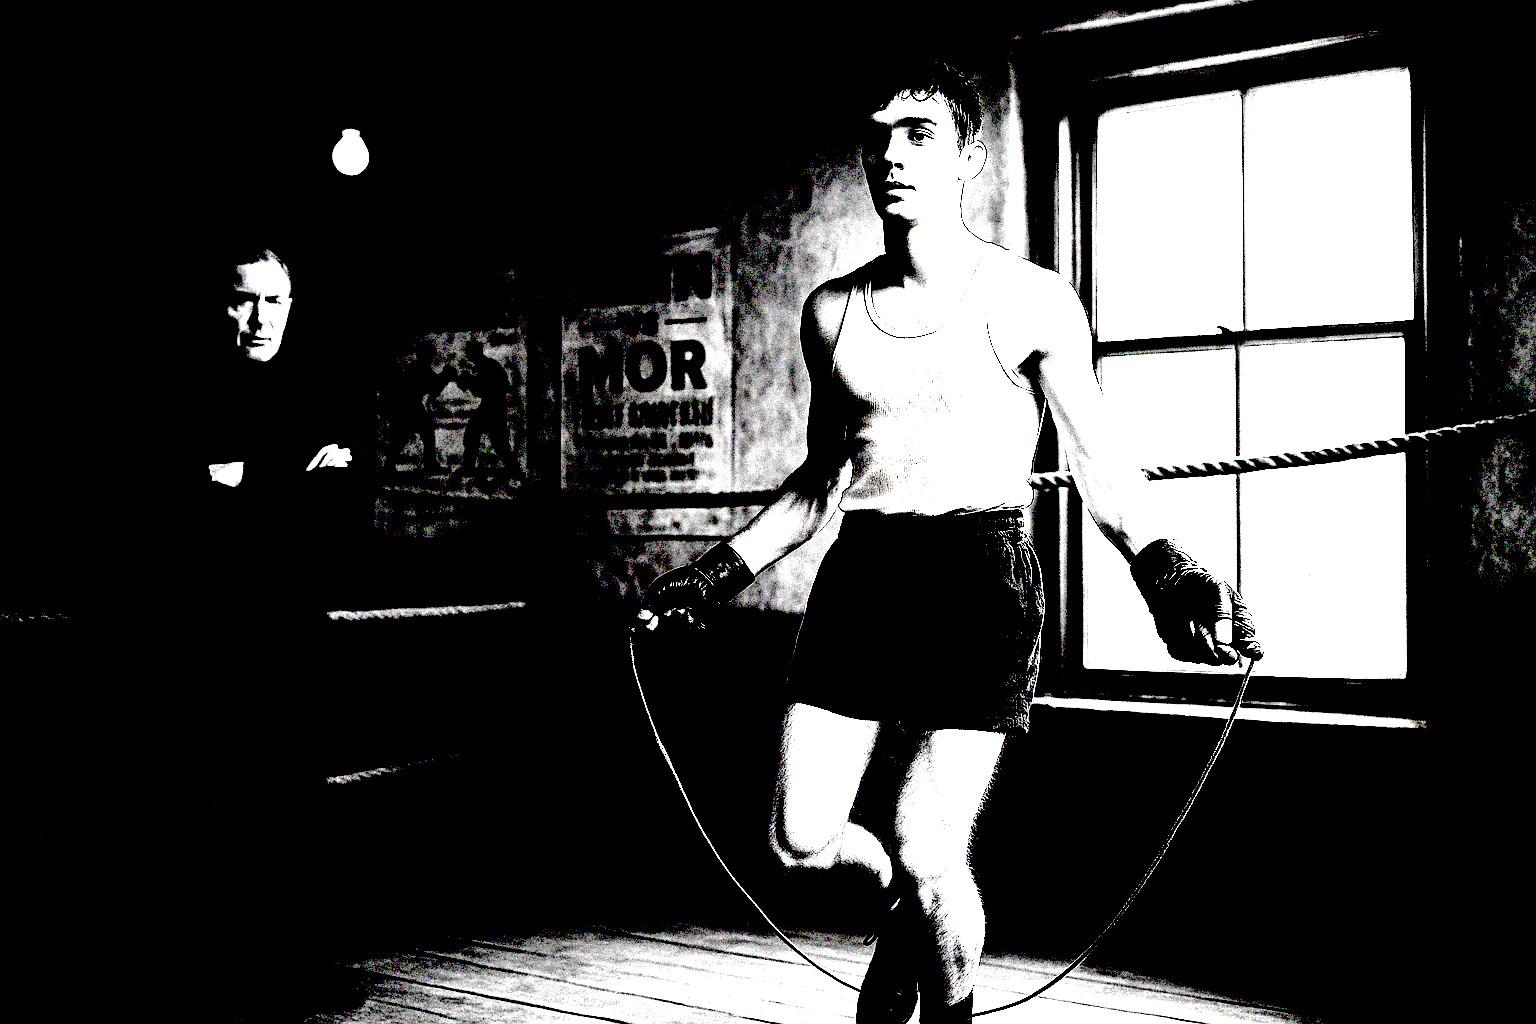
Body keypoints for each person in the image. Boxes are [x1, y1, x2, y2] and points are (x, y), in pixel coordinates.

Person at [637, 62, 1262, 1024]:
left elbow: (1100, 461)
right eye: (879, 133)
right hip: (864, 582)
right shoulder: (833, 313)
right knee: (799, 840)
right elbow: (816, 488)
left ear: (968, 159)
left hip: (981, 578)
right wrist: (710, 577)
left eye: (919, 134)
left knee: (933, 848)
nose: (892, 152)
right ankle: (898, 908)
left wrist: (1166, 568)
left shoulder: (1031, 299)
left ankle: (951, 1011)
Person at [450, 335, 521, 490]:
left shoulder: (486, 366)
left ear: (474, 352)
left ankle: (471, 467)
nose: (467, 355)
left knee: (492, 441)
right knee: (487, 439)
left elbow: (483, 390)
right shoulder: (488, 365)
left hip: (492, 408)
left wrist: (469, 381)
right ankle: (514, 472)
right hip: (493, 407)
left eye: (468, 352)